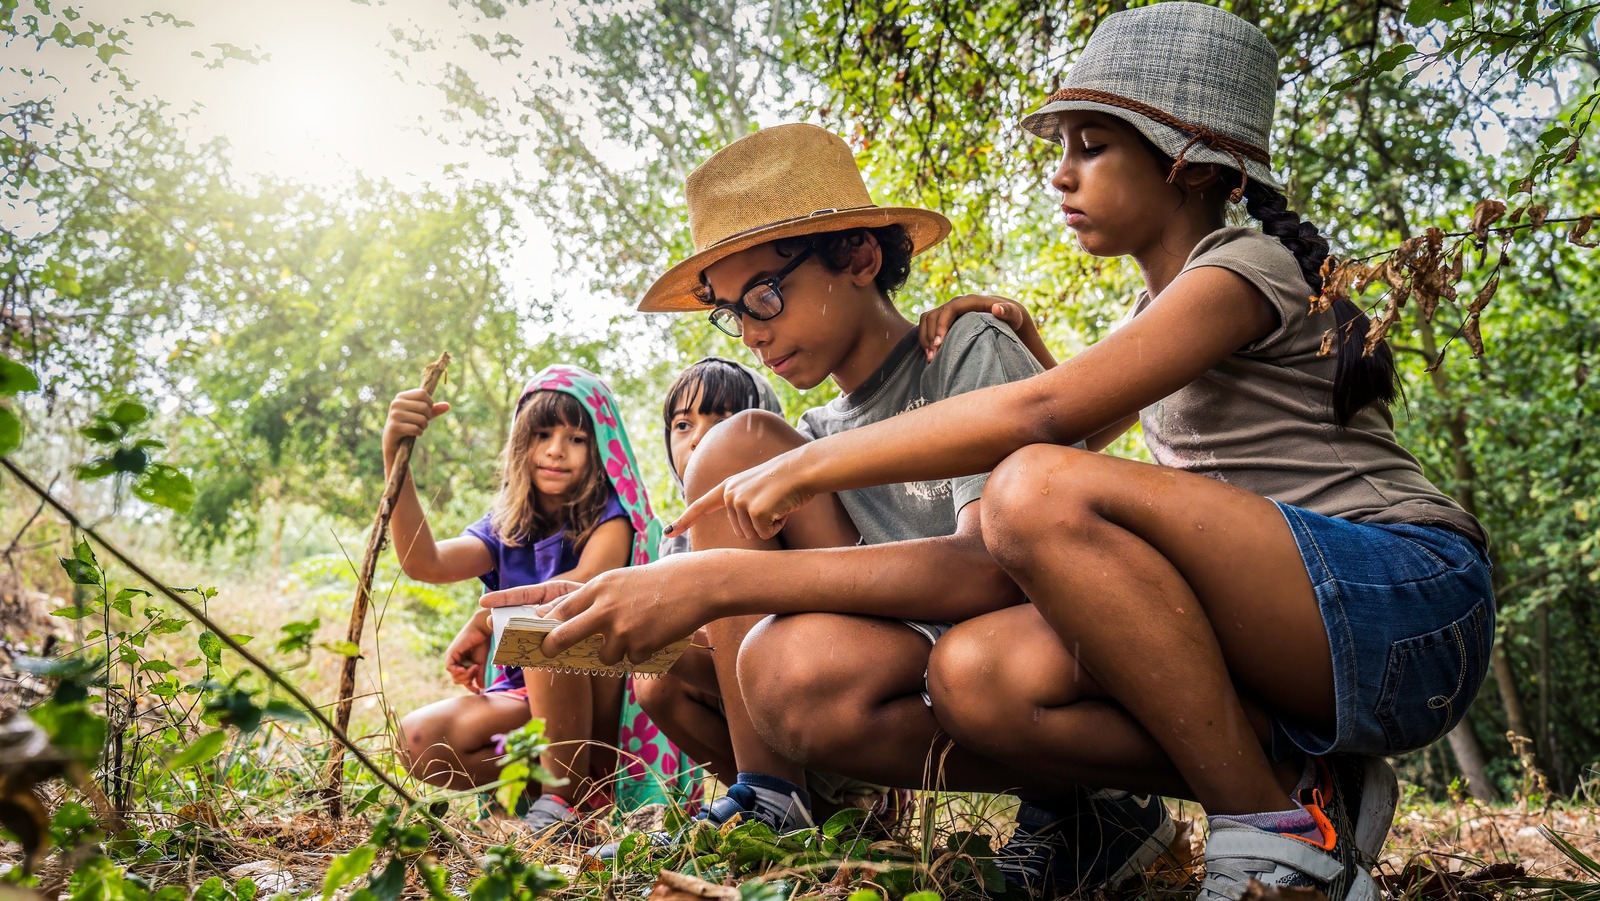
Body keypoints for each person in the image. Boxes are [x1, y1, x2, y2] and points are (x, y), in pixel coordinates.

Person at [641, 5, 1495, 901]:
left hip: (1406, 600)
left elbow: (1044, 431)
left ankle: (1276, 834)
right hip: (1290, 629)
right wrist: (1033, 346)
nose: (1062, 174)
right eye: (1062, 146)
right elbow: (1073, 441)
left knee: (1027, 487)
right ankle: (1296, 784)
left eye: (1092, 146)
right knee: (976, 675)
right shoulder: (1156, 321)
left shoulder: (1246, 267)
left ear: (1194, 165)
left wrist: (802, 467)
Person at [485, 122, 1177, 895]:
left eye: (765, 297)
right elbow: (700, 610)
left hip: (1016, 656)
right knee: (676, 665)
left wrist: (725, 581)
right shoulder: (808, 439)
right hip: (897, 660)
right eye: (729, 313)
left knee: (779, 628)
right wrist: (584, 603)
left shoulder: (963, 350)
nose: (751, 334)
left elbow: (992, 569)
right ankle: (782, 802)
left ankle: (1087, 796)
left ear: (859, 258)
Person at [390, 363, 694, 836]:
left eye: (576, 438)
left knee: (542, 629)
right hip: (529, 705)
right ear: (520, 445)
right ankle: (557, 790)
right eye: (542, 434)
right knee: (416, 739)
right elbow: (423, 561)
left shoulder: (614, 521)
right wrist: (397, 461)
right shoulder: (504, 527)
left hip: (600, 706)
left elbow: (572, 596)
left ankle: (563, 800)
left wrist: (488, 621)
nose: (555, 450)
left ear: (600, 451)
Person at [632, 356, 910, 833]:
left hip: (821, 678)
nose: (700, 437)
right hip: (759, 701)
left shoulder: (795, 498)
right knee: (654, 681)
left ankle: (854, 796)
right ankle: (790, 815)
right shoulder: (672, 541)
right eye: (683, 424)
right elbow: (714, 652)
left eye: (722, 421)